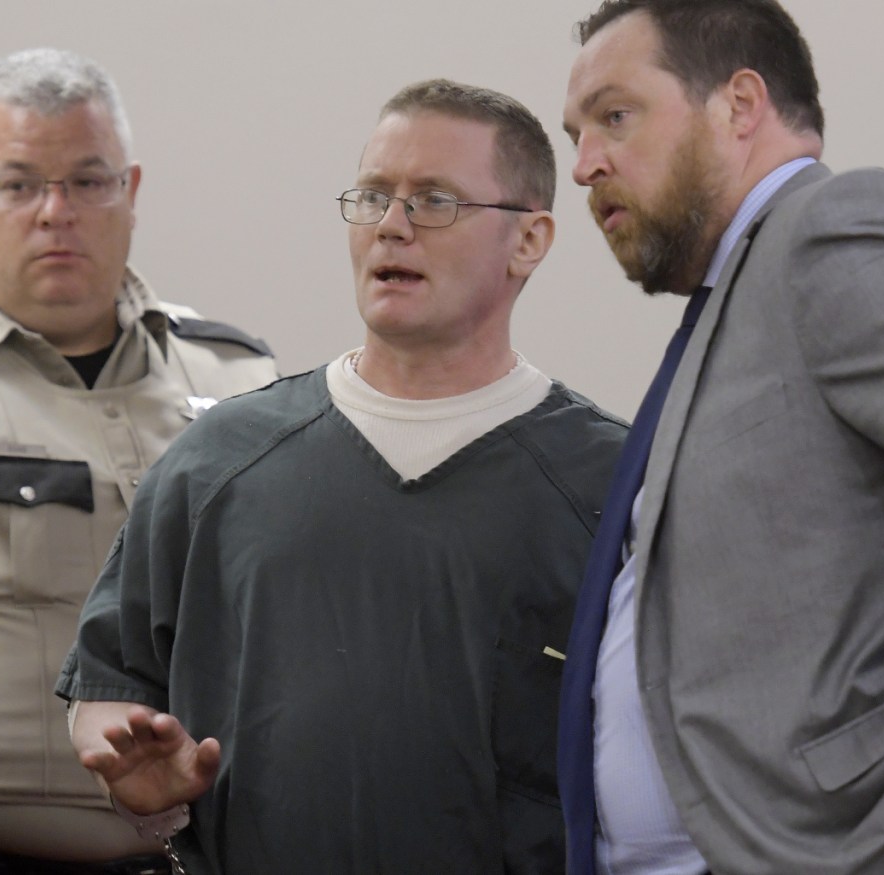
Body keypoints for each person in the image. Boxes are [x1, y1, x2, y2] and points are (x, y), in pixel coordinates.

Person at [57, 78, 628, 874]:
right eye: (371, 197)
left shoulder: (610, 486)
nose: (392, 227)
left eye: (435, 201)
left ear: (529, 240)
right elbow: (111, 680)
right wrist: (139, 778)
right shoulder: (219, 460)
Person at [0, 47, 277, 874]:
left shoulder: (241, 383)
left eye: (89, 181)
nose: (57, 211)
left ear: (131, 190)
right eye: (18, 183)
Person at [558, 1, 884, 874]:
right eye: (575, 135)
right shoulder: (734, 297)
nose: (586, 164)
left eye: (615, 116)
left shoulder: (825, 230)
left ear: (741, 105)